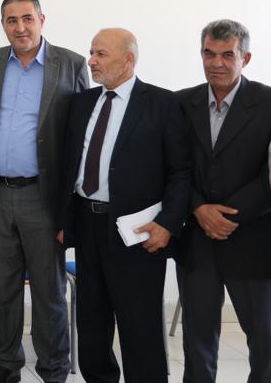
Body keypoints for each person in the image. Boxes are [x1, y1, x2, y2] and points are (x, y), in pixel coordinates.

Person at [57, 28, 190, 383]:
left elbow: (181, 172)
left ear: (128, 59)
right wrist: (63, 221)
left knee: (139, 324)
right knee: (91, 320)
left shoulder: (162, 104)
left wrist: (168, 223)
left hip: (138, 232)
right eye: (91, 52)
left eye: (101, 54)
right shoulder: (81, 103)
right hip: (87, 224)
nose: (91, 61)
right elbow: (68, 165)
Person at [0, 0, 87, 383]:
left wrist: (70, 207)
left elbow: (81, 136)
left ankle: (53, 370)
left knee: (49, 291)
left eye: (27, 18)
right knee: (4, 289)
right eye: (11, 20)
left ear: (42, 20)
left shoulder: (70, 64)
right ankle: (6, 367)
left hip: (44, 197)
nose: (20, 27)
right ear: (2, 24)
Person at [174, 19, 271, 383]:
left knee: (266, 342)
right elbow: (174, 166)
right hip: (197, 241)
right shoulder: (181, 103)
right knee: (197, 341)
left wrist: (226, 216)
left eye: (227, 55)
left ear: (246, 58)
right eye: (209, 54)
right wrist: (198, 208)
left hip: (257, 240)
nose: (217, 63)